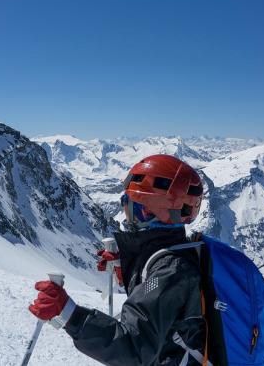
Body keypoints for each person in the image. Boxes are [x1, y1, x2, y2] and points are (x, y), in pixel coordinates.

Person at [27, 154, 207, 365]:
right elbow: (156, 299)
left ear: (149, 212)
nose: (126, 213)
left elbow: (133, 348)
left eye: (130, 205)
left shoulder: (171, 271)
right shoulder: (175, 253)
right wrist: (129, 268)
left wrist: (69, 313)